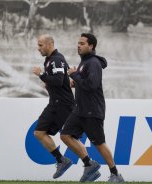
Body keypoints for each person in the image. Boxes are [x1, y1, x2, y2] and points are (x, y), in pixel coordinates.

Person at [60, 33, 125, 182]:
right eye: (78, 43)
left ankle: (116, 174)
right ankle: (89, 164)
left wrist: (75, 75)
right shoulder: (84, 62)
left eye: (82, 43)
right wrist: (75, 82)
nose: (78, 45)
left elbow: (92, 85)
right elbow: (86, 82)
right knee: (65, 135)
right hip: (80, 110)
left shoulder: (93, 62)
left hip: (92, 110)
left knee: (99, 143)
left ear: (91, 46)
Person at [32, 34, 75, 179]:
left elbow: (57, 81)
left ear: (50, 44)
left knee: (44, 133)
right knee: (44, 133)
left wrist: (41, 75)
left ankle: (80, 162)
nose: (38, 48)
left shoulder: (55, 60)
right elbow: (65, 79)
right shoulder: (54, 59)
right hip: (58, 102)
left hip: (60, 104)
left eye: (40, 45)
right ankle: (67, 161)